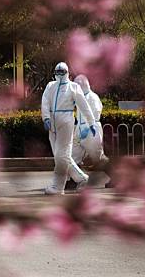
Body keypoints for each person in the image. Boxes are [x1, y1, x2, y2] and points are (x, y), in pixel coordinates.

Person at [41, 62, 98, 195]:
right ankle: (82, 179)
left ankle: (58, 187)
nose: (59, 75)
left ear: (67, 73)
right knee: (60, 156)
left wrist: (91, 123)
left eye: (62, 72)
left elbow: (84, 106)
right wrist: (46, 118)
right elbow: (45, 101)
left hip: (66, 122)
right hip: (52, 123)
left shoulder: (74, 87)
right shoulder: (50, 86)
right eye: (57, 72)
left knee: (62, 155)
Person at [65, 74, 110, 190]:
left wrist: (88, 128)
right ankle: (74, 180)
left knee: (99, 158)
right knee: (73, 157)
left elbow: (95, 115)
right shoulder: (80, 99)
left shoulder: (92, 97)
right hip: (80, 132)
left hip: (91, 132)